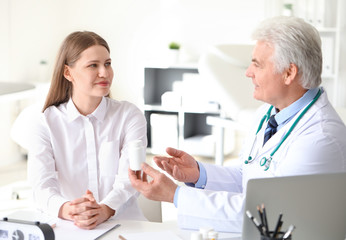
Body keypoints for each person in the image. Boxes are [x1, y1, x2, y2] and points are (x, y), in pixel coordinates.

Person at [129, 16, 346, 232]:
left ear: (289, 73)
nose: (248, 72)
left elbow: (268, 215)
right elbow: (247, 176)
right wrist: (198, 173)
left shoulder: (320, 138)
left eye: (257, 65)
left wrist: (175, 195)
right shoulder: (268, 113)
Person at [27, 31, 147, 229]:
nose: (104, 73)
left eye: (107, 64)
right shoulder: (45, 123)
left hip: (125, 225)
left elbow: (130, 179)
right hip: (70, 227)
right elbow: (41, 186)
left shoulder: (129, 115)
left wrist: (106, 209)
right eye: (93, 65)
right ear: (68, 73)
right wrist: (70, 209)